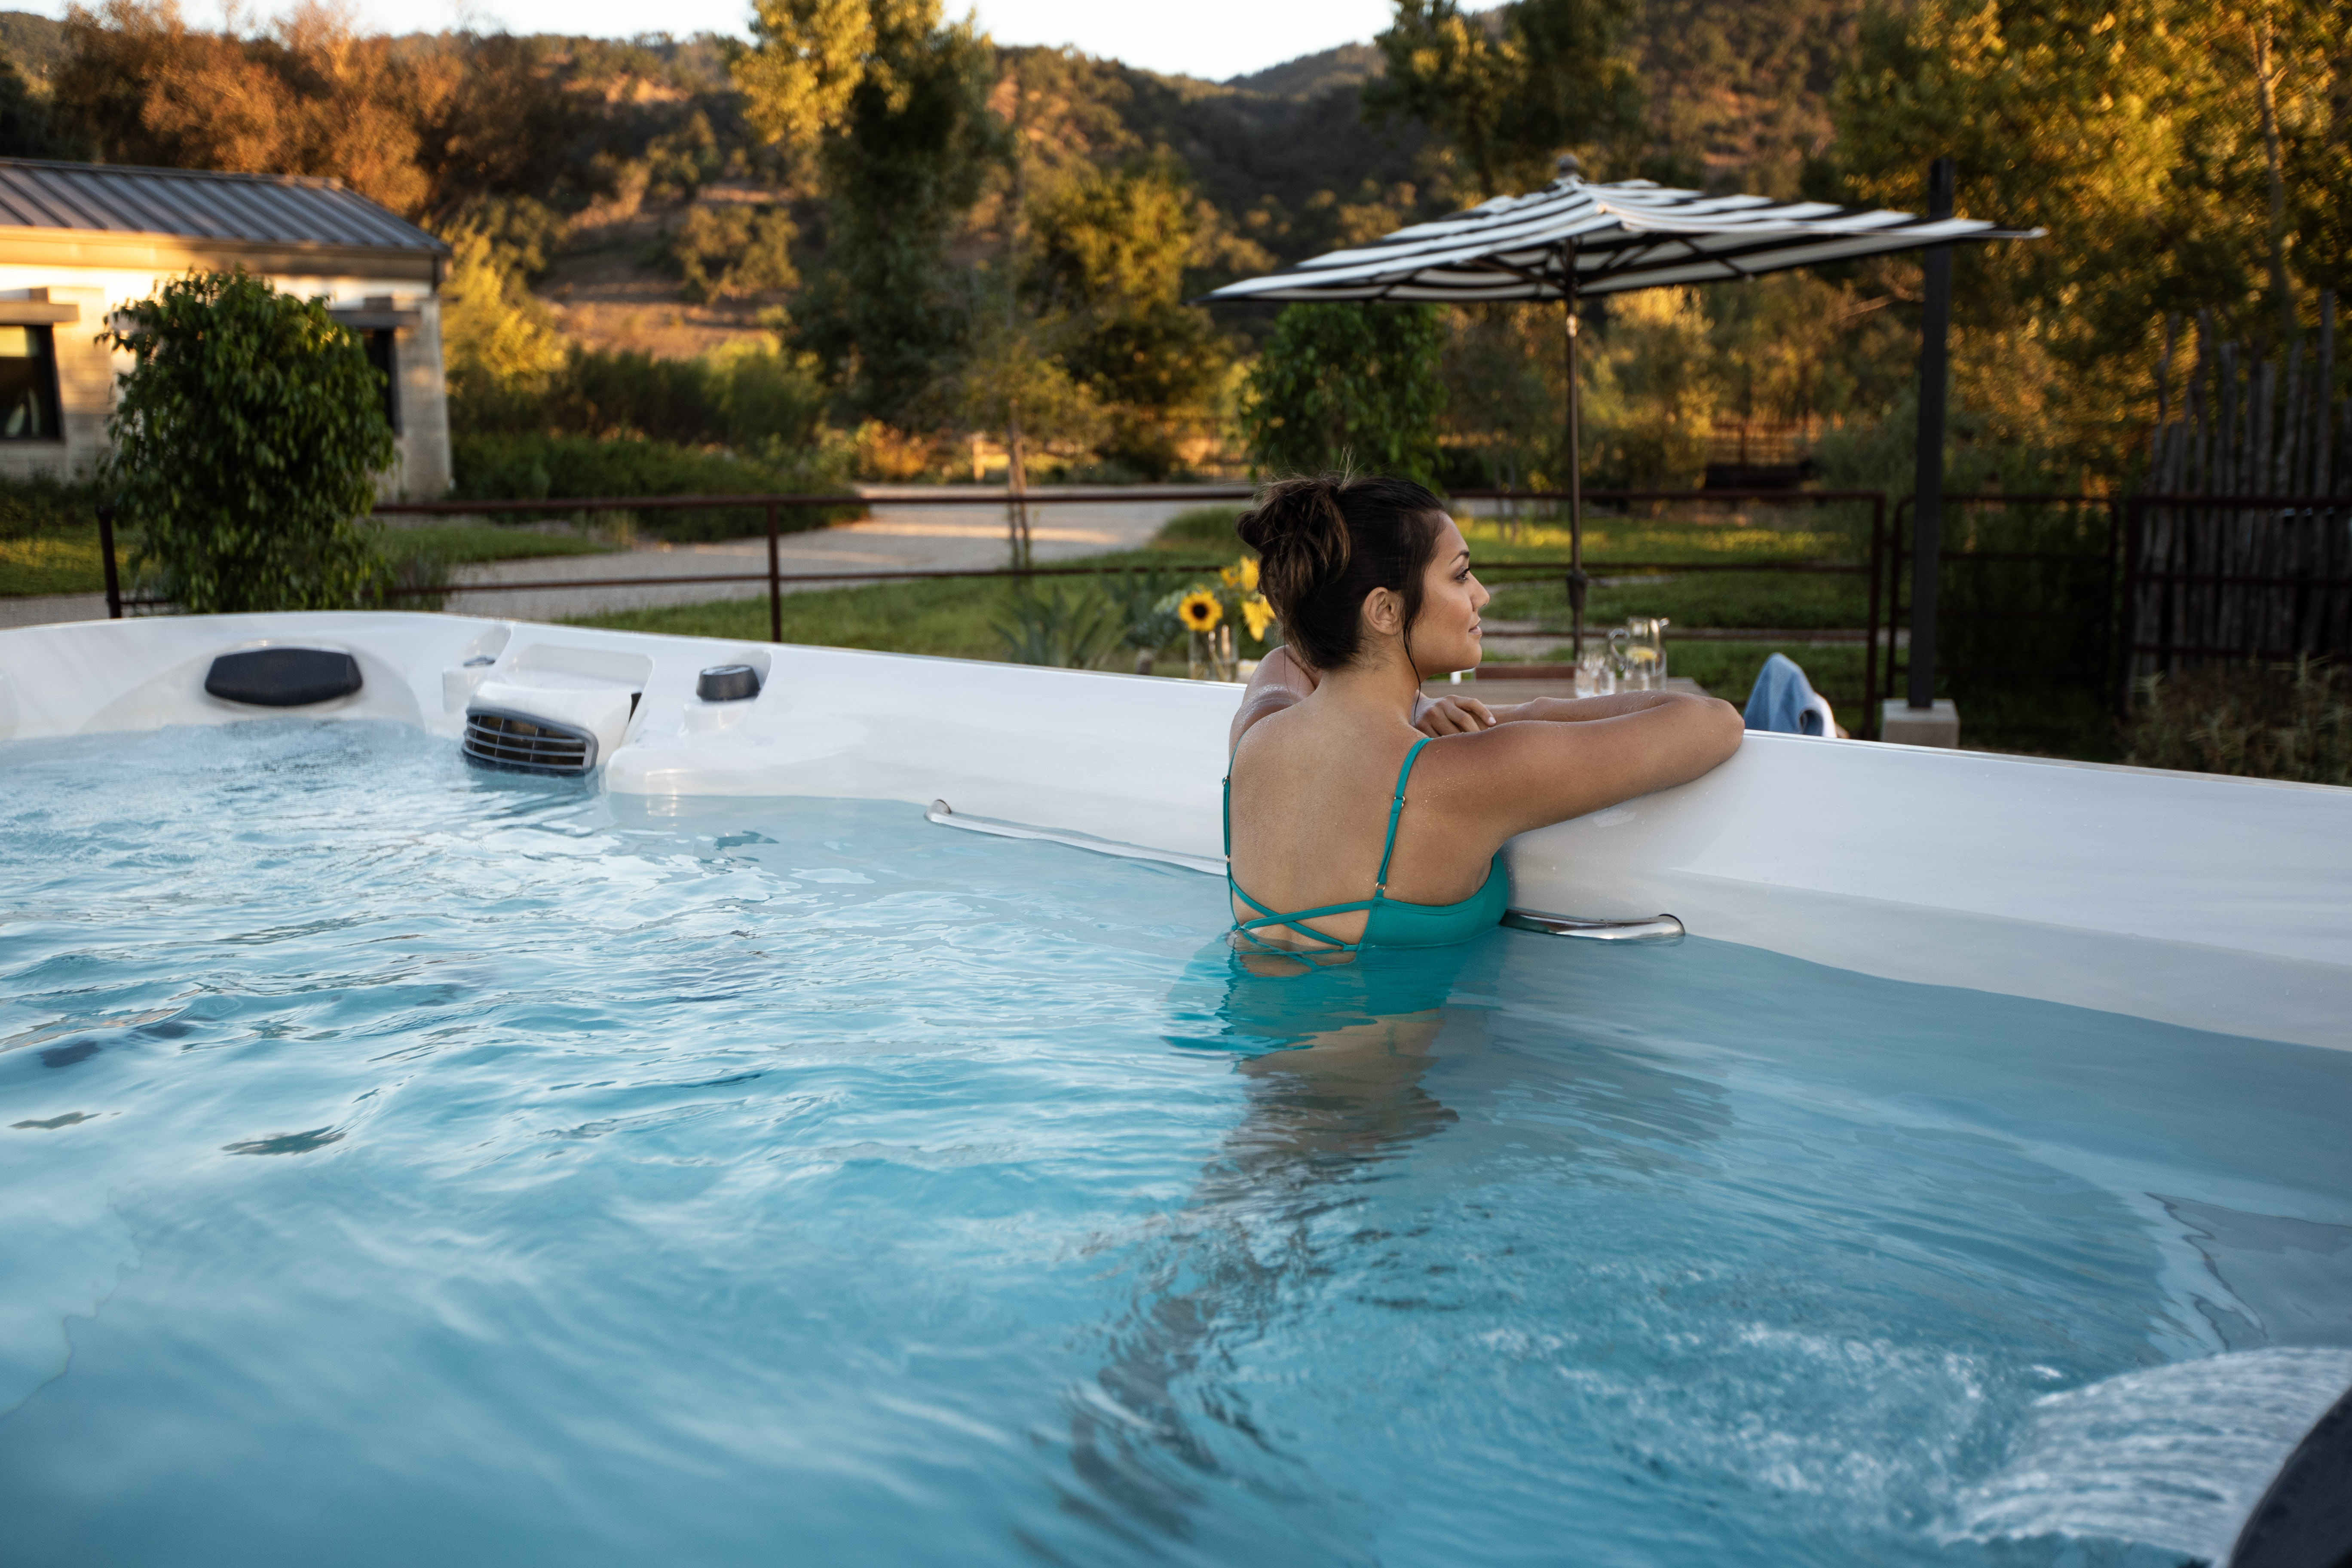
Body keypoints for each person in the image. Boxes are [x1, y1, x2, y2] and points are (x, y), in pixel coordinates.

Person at [1223, 472, 1745, 955]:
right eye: (1461, 575)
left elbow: (1290, 660)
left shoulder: (1256, 734)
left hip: (1250, 1049)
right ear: (1386, 611)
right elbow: (1713, 723)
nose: (1482, 595)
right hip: (1389, 1059)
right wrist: (1520, 713)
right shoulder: (1464, 774)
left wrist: (1420, 705)